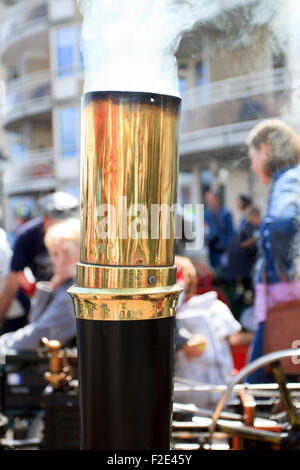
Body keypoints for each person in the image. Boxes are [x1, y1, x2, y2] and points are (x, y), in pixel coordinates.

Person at [245, 118, 300, 383]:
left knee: (255, 388)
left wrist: (286, 274)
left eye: (252, 155)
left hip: (285, 308)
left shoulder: (287, 181)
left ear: (265, 148)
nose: (253, 165)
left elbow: (282, 224)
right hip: (287, 308)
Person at [0, 191, 79, 334]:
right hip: (45, 296)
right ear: (47, 221)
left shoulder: (79, 234)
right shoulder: (26, 237)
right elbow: (12, 280)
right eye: (56, 254)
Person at [0, 218, 79, 357]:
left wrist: (4, 343)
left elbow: (38, 336)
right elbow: (36, 323)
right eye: (55, 254)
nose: (60, 261)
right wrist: (50, 287)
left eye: (67, 252)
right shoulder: (65, 284)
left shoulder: (74, 293)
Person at [204, 189, 234, 273]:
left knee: (225, 274)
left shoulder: (226, 214)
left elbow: (230, 233)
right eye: (208, 201)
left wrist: (229, 251)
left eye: (211, 200)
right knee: (215, 274)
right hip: (212, 250)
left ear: (217, 200)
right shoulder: (207, 215)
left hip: (223, 251)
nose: (209, 203)